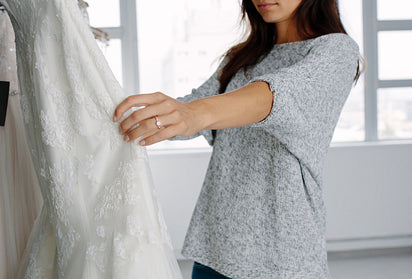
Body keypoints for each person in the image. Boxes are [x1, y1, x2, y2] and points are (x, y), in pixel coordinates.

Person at [114, 0, 361, 278]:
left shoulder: (336, 50)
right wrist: (120, 117)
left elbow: (275, 96)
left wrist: (195, 113)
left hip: (282, 256)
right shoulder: (243, 57)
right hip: (215, 247)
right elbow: (193, 106)